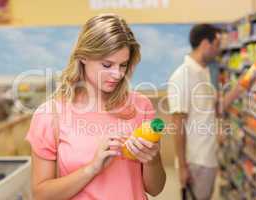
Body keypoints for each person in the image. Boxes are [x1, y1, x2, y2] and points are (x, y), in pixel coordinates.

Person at [25, 14, 166, 200]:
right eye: (107, 65)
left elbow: (155, 189)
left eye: (123, 65)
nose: (117, 74)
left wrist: (152, 159)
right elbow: (41, 195)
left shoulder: (141, 106)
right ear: (83, 56)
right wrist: (92, 168)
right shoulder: (50, 115)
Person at [167, 24, 250, 200]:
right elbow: (177, 124)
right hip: (195, 160)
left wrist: (242, 86)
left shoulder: (203, 71)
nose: (218, 50)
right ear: (206, 43)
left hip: (208, 156)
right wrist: (182, 166)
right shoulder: (182, 75)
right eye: (217, 44)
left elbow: (216, 108)